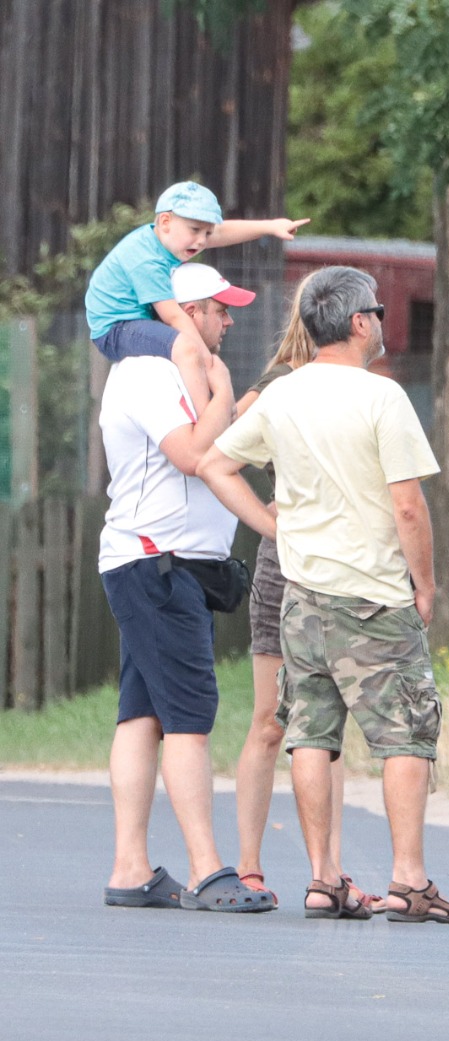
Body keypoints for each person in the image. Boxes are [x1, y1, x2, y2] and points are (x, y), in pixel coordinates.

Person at [200, 266, 449, 924]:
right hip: (373, 595)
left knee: (311, 734)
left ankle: (323, 879)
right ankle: (409, 881)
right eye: (378, 313)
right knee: (405, 736)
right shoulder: (380, 398)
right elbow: (408, 506)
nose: (382, 323)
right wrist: (426, 583)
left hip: (304, 597)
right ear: (360, 323)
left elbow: (215, 463)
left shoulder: (282, 396)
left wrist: (273, 525)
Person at [99, 262, 272, 913]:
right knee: (190, 716)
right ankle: (208, 870)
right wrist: (223, 388)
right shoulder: (149, 373)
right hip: (157, 564)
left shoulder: (186, 375)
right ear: (185, 312)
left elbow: (218, 439)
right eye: (219, 310)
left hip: (173, 565)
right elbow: (197, 455)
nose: (228, 321)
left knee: (142, 715)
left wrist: (229, 393)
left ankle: (130, 868)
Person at [230, 278, 379, 912]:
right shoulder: (285, 375)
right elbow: (235, 430)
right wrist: (275, 505)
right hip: (285, 559)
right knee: (271, 719)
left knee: (326, 721)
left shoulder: (358, 379)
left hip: (340, 559)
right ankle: (247, 867)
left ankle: (329, 871)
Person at [85, 180, 307, 417]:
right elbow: (173, 316)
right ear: (165, 222)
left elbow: (223, 232)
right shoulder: (146, 259)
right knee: (187, 349)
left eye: (207, 232)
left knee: (189, 348)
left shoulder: (175, 238)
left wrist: (270, 227)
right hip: (115, 328)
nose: (202, 240)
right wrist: (208, 364)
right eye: (195, 230)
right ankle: (206, 417)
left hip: (136, 319)